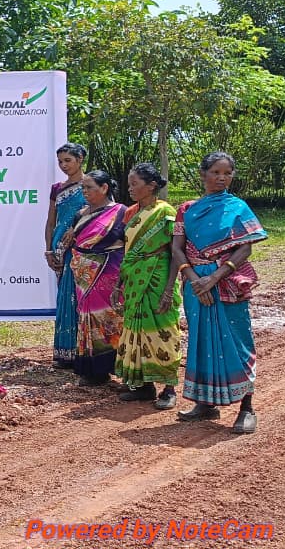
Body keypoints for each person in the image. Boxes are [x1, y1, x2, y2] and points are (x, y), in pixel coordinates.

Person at [170, 152, 267, 434]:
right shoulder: (187, 209)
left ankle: (247, 408)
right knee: (201, 341)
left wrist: (212, 278)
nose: (221, 178)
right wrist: (193, 279)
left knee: (237, 343)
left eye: (227, 173)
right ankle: (205, 403)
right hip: (194, 283)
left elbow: (245, 247)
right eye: (215, 172)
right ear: (203, 174)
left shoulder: (238, 207)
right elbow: (177, 248)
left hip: (226, 281)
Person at [115, 163, 183, 409]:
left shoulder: (166, 212)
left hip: (158, 275)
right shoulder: (130, 213)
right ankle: (143, 386)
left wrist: (168, 289)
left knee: (161, 328)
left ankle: (169, 387)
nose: (130, 188)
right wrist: (119, 283)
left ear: (151, 186)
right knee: (136, 329)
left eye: (135, 184)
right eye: (129, 184)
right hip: (134, 276)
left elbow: (176, 251)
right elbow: (128, 250)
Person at [56, 170, 126, 386]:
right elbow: (75, 242)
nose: (84, 192)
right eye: (83, 188)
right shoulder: (81, 214)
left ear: (104, 188)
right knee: (87, 319)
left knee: (111, 320)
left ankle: (117, 367)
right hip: (84, 277)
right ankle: (94, 371)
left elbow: (126, 241)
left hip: (108, 274)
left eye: (89, 187)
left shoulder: (120, 212)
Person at [44, 143, 87, 368]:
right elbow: (51, 221)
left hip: (83, 247)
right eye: (60, 161)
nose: (63, 165)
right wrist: (49, 249)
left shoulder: (92, 184)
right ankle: (64, 352)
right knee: (64, 298)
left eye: (67, 160)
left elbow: (101, 212)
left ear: (80, 159)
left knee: (79, 298)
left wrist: (77, 228)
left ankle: (83, 352)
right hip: (60, 248)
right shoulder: (57, 188)